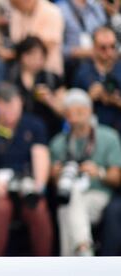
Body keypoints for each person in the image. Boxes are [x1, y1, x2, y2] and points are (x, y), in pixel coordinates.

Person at [0, 83, 53, 256]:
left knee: (38, 210)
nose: (9, 109)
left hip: (26, 181)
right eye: (4, 104)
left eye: (13, 104)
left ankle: (46, 264)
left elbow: (40, 157)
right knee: (0, 209)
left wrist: (38, 187)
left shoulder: (33, 125)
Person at [50, 89, 121, 256]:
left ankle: (70, 263)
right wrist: (57, 175)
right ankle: (83, 251)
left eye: (79, 112)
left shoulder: (108, 136)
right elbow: (54, 182)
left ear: (90, 111)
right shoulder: (59, 142)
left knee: (66, 207)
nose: (74, 118)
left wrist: (100, 172)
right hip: (71, 197)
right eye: (70, 113)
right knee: (67, 204)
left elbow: (118, 177)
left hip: (98, 195)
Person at [9, 36, 66, 139]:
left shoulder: (53, 78)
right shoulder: (11, 78)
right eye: (30, 54)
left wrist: (49, 99)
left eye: (40, 55)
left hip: (49, 132)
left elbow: (64, 111)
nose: (35, 60)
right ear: (21, 56)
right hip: (18, 134)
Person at [73, 27, 121, 134]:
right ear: (94, 48)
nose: (109, 52)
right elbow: (73, 105)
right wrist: (89, 97)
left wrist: (116, 100)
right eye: (103, 48)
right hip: (92, 131)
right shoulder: (83, 72)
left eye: (112, 47)